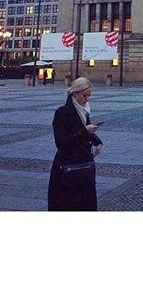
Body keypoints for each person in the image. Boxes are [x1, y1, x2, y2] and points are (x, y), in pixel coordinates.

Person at [47, 77, 103, 211]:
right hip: (68, 167)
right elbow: (61, 143)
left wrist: (97, 142)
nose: (87, 99)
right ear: (75, 93)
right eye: (84, 95)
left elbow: (85, 131)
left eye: (89, 96)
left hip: (85, 167)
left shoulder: (83, 110)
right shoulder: (62, 113)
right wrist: (85, 132)